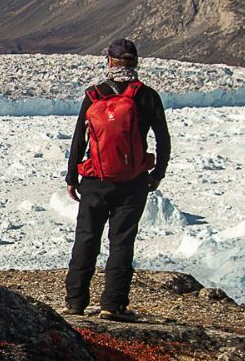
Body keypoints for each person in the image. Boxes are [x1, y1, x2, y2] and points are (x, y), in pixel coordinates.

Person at [62, 38, 170, 321]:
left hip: (95, 180)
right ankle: (113, 305)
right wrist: (157, 173)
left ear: (109, 61)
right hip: (133, 181)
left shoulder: (94, 95)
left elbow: (78, 140)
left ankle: (75, 303)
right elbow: (162, 139)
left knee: (86, 238)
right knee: (121, 241)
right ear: (135, 62)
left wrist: (72, 176)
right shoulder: (146, 95)